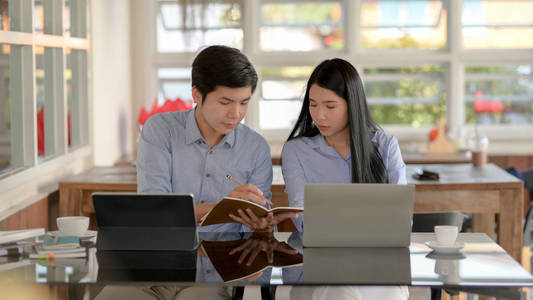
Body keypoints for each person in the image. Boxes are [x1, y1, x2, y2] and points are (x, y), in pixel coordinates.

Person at [137, 45, 297, 232]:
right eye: (225, 102)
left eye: (244, 103)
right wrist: (225, 209)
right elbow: (154, 209)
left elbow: (260, 220)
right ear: (196, 94)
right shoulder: (161, 130)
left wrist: (262, 226)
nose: (236, 114)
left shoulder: (256, 147)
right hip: (171, 253)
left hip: (232, 256)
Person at [281, 58, 407, 232]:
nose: (319, 115)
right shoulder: (296, 151)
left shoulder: (386, 146)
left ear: (352, 105)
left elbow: (401, 216)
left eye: (330, 106)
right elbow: (302, 218)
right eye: (313, 104)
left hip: (376, 251)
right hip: (321, 250)